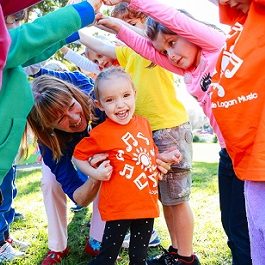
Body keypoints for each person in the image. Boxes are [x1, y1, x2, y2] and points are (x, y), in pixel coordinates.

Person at [98, 1, 251, 265]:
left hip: (253, 147)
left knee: (254, 222)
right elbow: (147, 50)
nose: (170, 54)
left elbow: (174, 20)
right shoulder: (186, 69)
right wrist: (118, 29)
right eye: (164, 50)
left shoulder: (215, 46)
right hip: (230, 152)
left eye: (172, 43)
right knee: (234, 225)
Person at [80, 7, 196, 265]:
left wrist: (118, 26)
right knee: (166, 198)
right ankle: (176, 252)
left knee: (177, 198)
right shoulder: (126, 53)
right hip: (146, 132)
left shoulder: (155, 50)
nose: (126, 30)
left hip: (169, 127)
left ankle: (187, 257)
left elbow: (137, 35)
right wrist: (75, 27)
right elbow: (100, 43)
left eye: (131, 24)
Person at [0, 0, 102, 261]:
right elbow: (76, 192)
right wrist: (91, 181)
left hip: (94, 148)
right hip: (63, 149)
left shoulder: (88, 91)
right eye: (60, 118)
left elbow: (37, 44)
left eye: (71, 106)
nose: (74, 118)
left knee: (105, 170)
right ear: (48, 126)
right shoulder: (49, 138)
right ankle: (57, 245)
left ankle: (98, 238)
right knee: (49, 182)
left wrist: (82, 18)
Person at [73, 66, 181, 265]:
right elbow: (78, 156)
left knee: (139, 259)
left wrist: (166, 156)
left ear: (134, 94)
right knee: (107, 257)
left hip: (146, 205)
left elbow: (149, 153)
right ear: (100, 104)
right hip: (119, 208)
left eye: (125, 95)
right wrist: (95, 173)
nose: (120, 105)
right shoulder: (101, 133)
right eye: (110, 100)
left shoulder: (144, 123)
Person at [209, 1, 265, 264]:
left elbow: (177, 22)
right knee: (252, 243)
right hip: (247, 161)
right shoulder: (240, 26)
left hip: (259, 160)